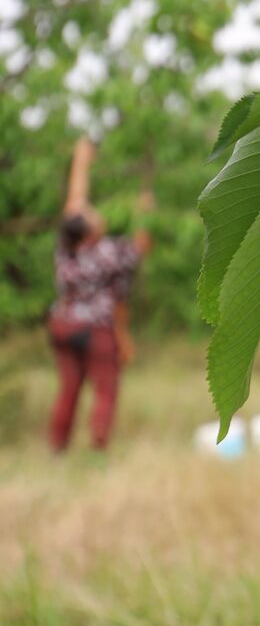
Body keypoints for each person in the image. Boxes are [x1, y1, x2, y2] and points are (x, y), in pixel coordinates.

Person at [47, 137, 152, 452]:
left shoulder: (65, 251)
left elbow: (74, 201)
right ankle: (99, 446)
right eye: (92, 216)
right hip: (96, 328)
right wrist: (144, 213)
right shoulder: (108, 252)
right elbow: (141, 247)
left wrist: (81, 160)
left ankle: (57, 446)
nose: (95, 214)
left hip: (64, 324)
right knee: (106, 388)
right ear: (90, 231)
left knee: (69, 387)